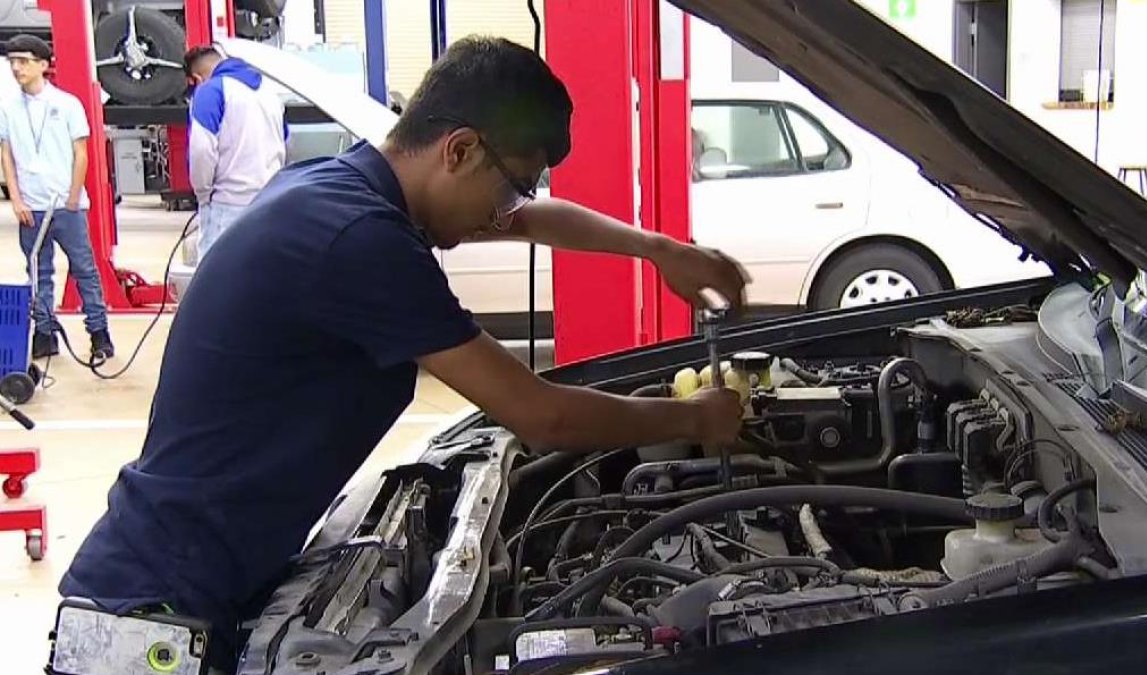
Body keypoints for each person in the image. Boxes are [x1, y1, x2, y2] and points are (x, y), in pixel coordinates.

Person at [59, 36, 748, 673]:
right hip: (155, 617)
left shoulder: (339, 190)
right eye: (512, 183)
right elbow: (543, 418)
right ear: (458, 149)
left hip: (193, 582)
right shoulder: (360, 241)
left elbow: (532, 220)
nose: (510, 208)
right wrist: (693, 419)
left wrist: (662, 250)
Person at [0, 34, 113, 360]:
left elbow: (81, 152)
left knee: (84, 269)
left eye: (23, 61)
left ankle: (98, 332)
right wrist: (17, 200)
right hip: (30, 207)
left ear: (43, 65)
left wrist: (73, 196)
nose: (17, 68)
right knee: (38, 271)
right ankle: (44, 332)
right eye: (12, 62)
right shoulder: (8, 108)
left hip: (66, 205)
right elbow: (6, 155)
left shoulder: (66, 104)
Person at [184, 44, 288, 261]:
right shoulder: (270, 92)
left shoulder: (210, 90)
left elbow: (201, 150)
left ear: (197, 78)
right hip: (271, 201)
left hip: (228, 206)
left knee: (219, 284)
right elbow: (286, 140)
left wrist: (203, 195)